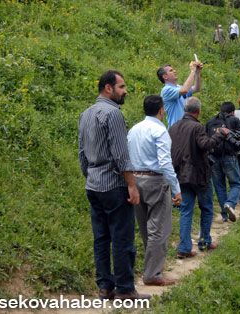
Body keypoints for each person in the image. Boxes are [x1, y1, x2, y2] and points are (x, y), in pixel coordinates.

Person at [78, 70, 150, 301]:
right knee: (122, 237)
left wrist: (89, 177)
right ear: (108, 88)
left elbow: (82, 153)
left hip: (93, 185)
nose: (125, 91)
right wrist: (131, 185)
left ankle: (105, 287)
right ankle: (125, 289)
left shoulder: (86, 114)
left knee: (101, 237)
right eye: (121, 87)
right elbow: (120, 154)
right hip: (114, 185)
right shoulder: (113, 114)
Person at [127, 95, 182, 286]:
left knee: (144, 226)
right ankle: (153, 274)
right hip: (155, 180)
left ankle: (153, 265)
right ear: (161, 110)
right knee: (159, 228)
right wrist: (176, 188)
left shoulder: (134, 129)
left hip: (135, 179)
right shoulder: (160, 130)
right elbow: (165, 162)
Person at [169, 97, 228, 258]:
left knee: (186, 211)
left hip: (180, 175)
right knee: (207, 208)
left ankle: (184, 247)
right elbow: (205, 145)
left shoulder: (173, 127)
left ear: (184, 109)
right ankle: (204, 241)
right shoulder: (197, 127)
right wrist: (220, 135)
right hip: (199, 176)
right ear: (198, 111)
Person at [206, 102, 240, 223]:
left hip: (213, 157)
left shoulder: (211, 122)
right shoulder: (234, 120)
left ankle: (224, 215)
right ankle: (230, 204)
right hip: (229, 157)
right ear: (232, 112)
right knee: (236, 183)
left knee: (219, 186)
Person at [157, 60, 203, 128]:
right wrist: (192, 71)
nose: (174, 71)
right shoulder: (166, 90)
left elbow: (197, 88)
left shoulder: (179, 87)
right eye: (171, 70)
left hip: (186, 127)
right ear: (165, 77)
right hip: (176, 129)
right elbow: (185, 90)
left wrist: (197, 73)